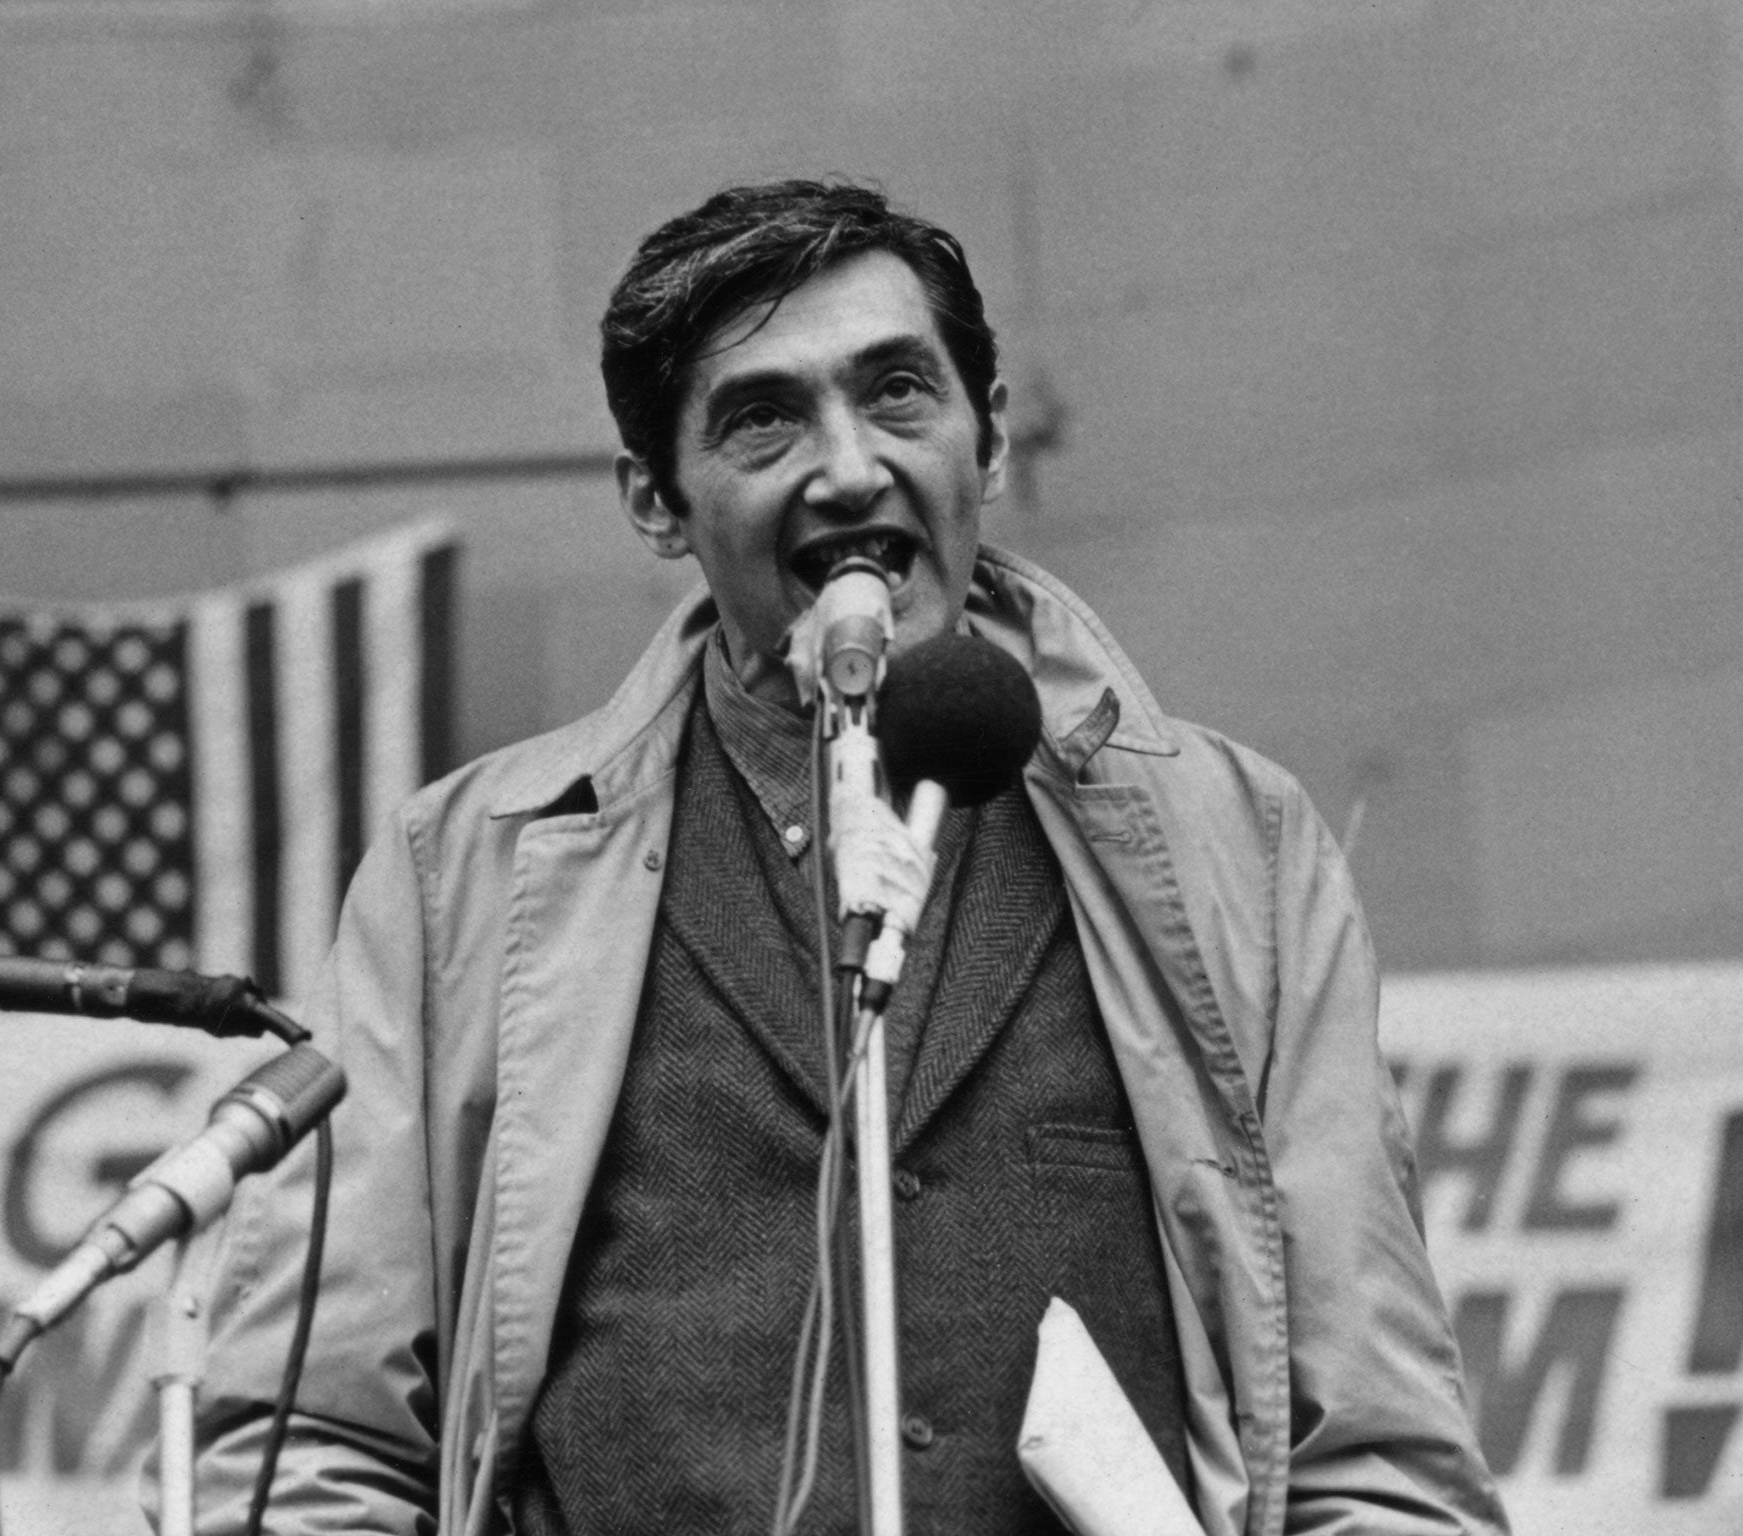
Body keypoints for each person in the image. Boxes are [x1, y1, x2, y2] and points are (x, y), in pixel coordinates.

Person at [181, 179, 1508, 1535]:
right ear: (655, 499)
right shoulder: (461, 877)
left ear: (987, 444)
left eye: (898, 394)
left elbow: (1378, 1458)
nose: (852, 465)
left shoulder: (1238, 846)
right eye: (766, 417)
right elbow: (313, 1447)